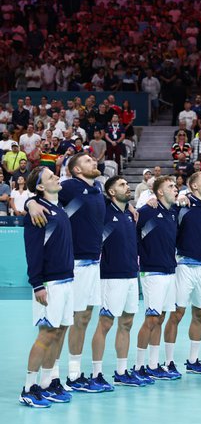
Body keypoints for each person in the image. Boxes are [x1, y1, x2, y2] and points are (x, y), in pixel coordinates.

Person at [26, 154, 107, 392]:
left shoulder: (97, 189)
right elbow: (38, 196)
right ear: (76, 169)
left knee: (82, 319)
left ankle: (72, 374)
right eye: (88, 160)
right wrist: (29, 203)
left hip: (94, 263)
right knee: (61, 325)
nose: (94, 162)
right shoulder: (69, 186)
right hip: (75, 265)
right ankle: (54, 377)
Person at [21, 167, 74, 407]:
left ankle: (46, 383)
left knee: (59, 332)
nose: (56, 176)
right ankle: (28, 387)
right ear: (41, 187)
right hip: (49, 283)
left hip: (67, 281)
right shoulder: (38, 211)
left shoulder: (59, 208)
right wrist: (37, 285)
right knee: (45, 334)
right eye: (50, 176)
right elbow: (33, 251)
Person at [89, 176, 144, 389]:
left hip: (131, 274)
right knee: (105, 323)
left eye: (126, 183)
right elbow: (95, 189)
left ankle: (121, 372)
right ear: (111, 192)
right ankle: (96, 374)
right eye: (121, 185)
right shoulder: (103, 210)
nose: (127, 186)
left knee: (127, 323)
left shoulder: (129, 215)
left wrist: (130, 205)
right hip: (110, 276)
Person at [162, 172, 201, 376]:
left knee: (200, 314)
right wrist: (179, 197)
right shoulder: (182, 205)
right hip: (184, 264)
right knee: (178, 313)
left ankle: (193, 361)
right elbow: (164, 208)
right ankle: (168, 362)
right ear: (193, 186)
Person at [134, 176, 180, 381]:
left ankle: (153, 364)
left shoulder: (172, 212)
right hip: (152, 271)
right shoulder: (146, 211)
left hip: (170, 271)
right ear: (159, 192)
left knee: (160, 318)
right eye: (171, 186)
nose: (176, 188)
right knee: (151, 318)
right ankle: (138, 366)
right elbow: (131, 225)